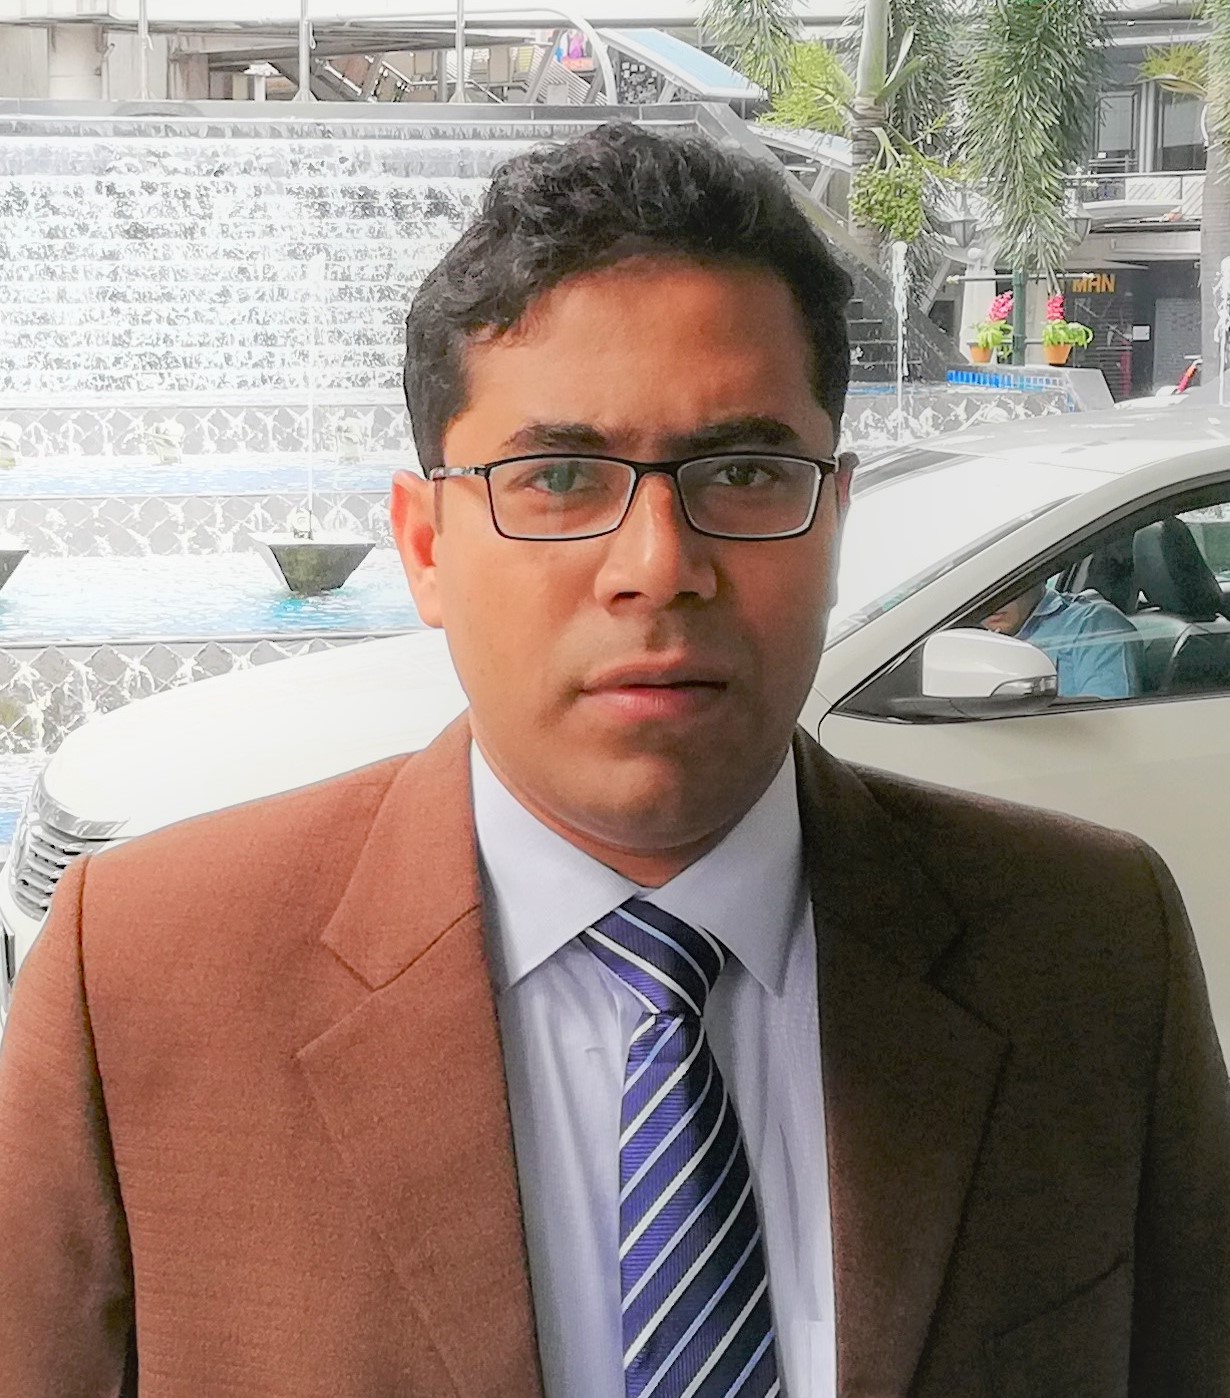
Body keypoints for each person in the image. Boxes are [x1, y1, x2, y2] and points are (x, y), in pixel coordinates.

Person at [0, 123, 1226, 1398]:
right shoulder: (138, 978)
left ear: (834, 517)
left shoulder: (1090, 948)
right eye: (559, 477)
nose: (657, 568)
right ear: (425, 547)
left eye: (743, 470)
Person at [982, 579, 1141, 699]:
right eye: (983, 589)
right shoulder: (971, 635)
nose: (993, 601)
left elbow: (1108, 721)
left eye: (1008, 585)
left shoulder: (1094, 624)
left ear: (1040, 576)